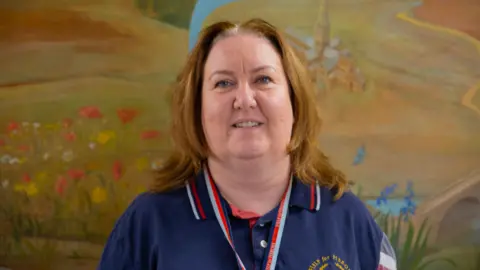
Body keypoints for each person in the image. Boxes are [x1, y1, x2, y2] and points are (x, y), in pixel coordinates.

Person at [97, 18, 397, 270]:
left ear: (294, 100)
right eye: (223, 83)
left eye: (263, 79)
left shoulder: (347, 219)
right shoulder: (147, 224)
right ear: (197, 108)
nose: (244, 99)